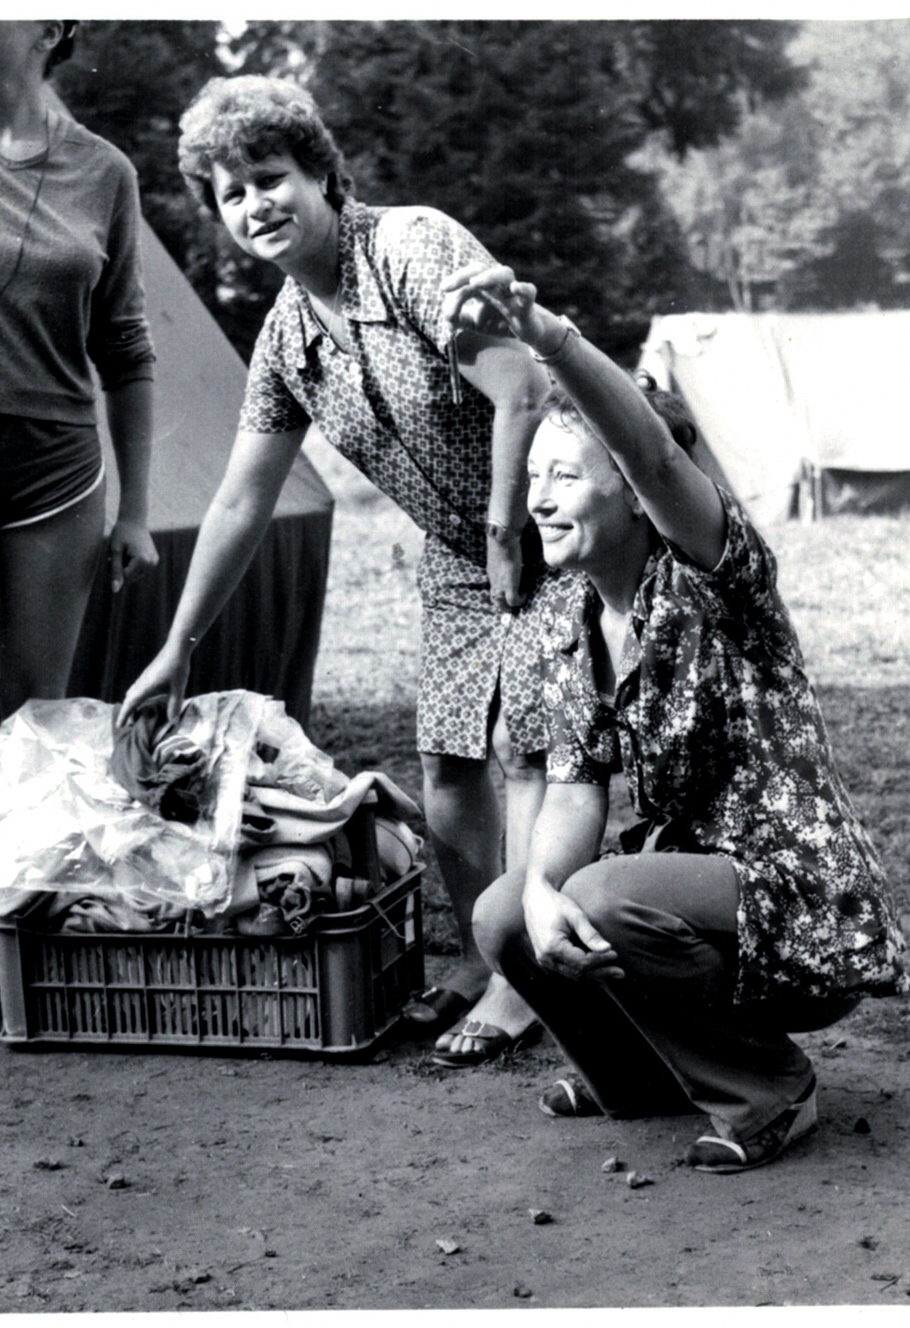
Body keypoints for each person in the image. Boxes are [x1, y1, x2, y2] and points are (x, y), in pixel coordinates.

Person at [118, 75, 549, 1065]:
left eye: (269, 177)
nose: (255, 205)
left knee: (528, 747)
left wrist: (505, 529)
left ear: (319, 172)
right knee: (449, 760)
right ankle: (486, 957)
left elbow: (523, 388)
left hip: (561, 520)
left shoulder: (409, 247)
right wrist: (179, 645)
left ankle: (527, 981)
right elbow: (240, 500)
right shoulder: (286, 335)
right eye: (231, 193)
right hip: (460, 549)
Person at [441, 262, 908, 1172]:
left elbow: (656, 457)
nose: (538, 500)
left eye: (564, 475)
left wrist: (548, 338)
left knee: (599, 897)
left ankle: (769, 1089)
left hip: (800, 903)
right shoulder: (568, 621)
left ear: (629, 492)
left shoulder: (715, 583)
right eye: (532, 475)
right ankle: (643, 1076)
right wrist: (536, 892)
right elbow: (574, 787)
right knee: (506, 914)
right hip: (690, 899)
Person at [0, 20, 159, 726]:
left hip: (55, 470)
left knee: (36, 714)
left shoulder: (105, 171)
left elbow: (125, 348)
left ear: (51, 28)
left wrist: (136, 514)